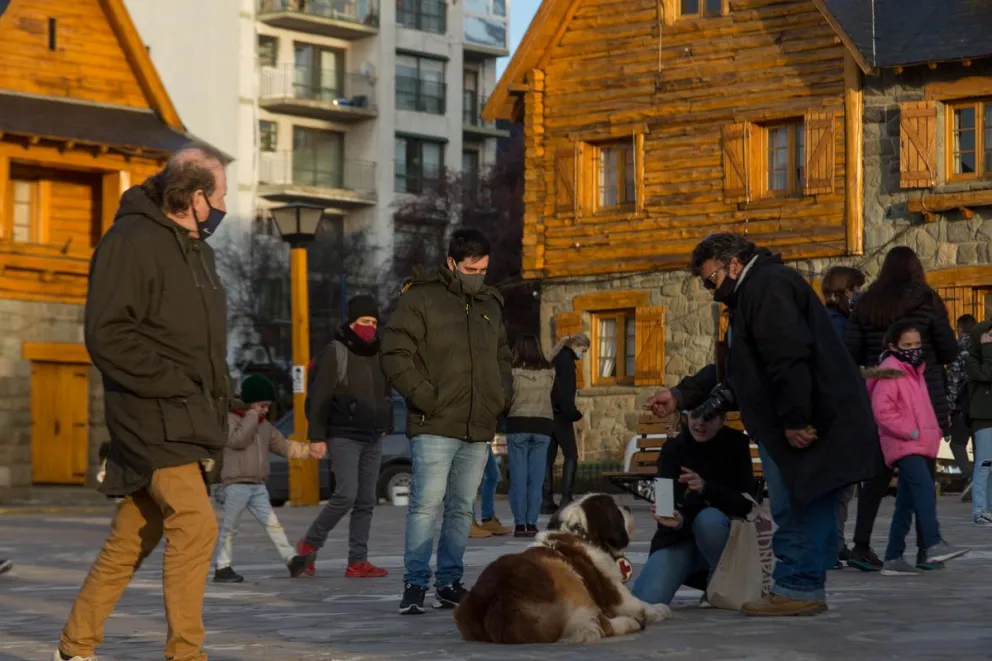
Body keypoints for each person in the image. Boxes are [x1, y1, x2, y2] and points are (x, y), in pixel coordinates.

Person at [54, 143, 231, 661]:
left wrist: (222, 391)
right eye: (220, 195)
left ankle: (75, 645)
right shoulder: (130, 240)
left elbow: (196, 341)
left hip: (186, 413)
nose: (224, 206)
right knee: (197, 525)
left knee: (135, 533)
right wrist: (175, 383)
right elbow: (108, 334)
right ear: (196, 197)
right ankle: (186, 654)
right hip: (152, 415)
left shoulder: (199, 250)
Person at [646, 233, 883, 617]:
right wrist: (679, 395)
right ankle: (804, 585)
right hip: (811, 417)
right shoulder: (756, 292)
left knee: (796, 500)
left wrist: (795, 419)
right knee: (810, 498)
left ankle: (796, 587)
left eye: (711, 280)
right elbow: (739, 368)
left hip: (805, 421)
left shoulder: (766, 288)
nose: (711, 291)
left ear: (733, 265)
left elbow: (789, 356)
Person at [381, 228, 513, 615]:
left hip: (478, 422)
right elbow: (394, 352)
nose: (477, 276)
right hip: (434, 422)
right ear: (451, 263)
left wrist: (500, 395)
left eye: (484, 269)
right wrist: (425, 396)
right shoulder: (421, 299)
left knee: (461, 508)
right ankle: (415, 584)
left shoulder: (491, 303)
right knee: (425, 505)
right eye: (470, 269)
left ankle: (449, 582)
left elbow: (502, 355)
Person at [845, 246, 959, 571]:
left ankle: (862, 546)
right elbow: (948, 349)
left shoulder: (866, 303)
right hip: (925, 397)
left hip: (878, 396)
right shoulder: (928, 300)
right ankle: (926, 549)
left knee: (876, 479)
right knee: (922, 476)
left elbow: (850, 351)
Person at [293, 295, 393, 578]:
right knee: (346, 494)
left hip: (373, 435)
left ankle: (357, 560)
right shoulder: (335, 351)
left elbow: (386, 392)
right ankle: (309, 543)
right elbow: (319, 396)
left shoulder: (379, 352)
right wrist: (317, 436)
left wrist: (387, 422)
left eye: (374, 322)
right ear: (351, 322)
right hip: (344, 435)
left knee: (366, 500)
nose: (370, 327)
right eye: (364, 321)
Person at [867, 320, 968, 574]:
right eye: (907, 345)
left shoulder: (914, 371)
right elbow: (882, 411)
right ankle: (933, 543)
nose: (913, 349)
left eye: (916, 344)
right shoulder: (892, 370)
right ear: (893, 346)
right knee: (923, 488)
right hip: (904, 443)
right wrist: (909, 431)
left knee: (906, 501)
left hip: (919, 442)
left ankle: (893, 557)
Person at [632, 410, 754, 605]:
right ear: (685, 417)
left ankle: (718, 586)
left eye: (708, 417)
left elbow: (747, 505)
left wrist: (706, 488)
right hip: (681, 539)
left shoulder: (735, 444)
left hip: (724, 544)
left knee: (709, 520)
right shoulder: (673, 448)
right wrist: (676, 520)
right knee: (646, 600)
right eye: (695, 416)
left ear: (722, 419)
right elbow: (667, 505)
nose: (700, 424)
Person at [213, 375, 326, 583]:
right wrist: (251, 416)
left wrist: (309, 451)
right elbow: (238, 440)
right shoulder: (230, 419)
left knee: (273, 524)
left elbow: (284, 446)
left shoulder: (264, 426)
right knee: (230, 528)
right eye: (262, 405)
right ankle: (222, 566)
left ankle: (291, 560)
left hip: (257, 484)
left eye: (267, 406)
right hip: (235, 484)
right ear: (250, 402)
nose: (265, 410)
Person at [820, 265, 866, 569]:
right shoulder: (838, 325)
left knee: (840, 487)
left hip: (837, 412)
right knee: (839, 487)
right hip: (839, 413)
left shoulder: (832, 321)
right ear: (845, 291)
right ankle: (830, 546)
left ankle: (833, 544)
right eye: (856, 288)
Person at [505, 334, 556, 537]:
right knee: (536, 478)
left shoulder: (512, 372)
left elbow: (506, 397)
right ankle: (532, 522)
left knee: (518, 478)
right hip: (543, 424)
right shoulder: (550, 372)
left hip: (517, 423)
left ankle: (519, 524)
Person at [541, 333, 590, 514]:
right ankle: (566, 497)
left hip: (548, 414)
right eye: (583, 351)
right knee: (571, 455)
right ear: (577, 345)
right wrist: (575, 415)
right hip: (562, 416)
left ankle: (546, 500)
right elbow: (566, 393)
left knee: (548, 458)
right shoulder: (567, 363)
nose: (582, 355)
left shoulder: (555, 359)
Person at [965, 320, 992, 526]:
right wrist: (986, 349)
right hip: (983, 417)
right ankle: (980, 510)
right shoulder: (972, 358)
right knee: (984, 464)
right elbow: (985, 374)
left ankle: (989, 508)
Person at [948, 314, 977, 501]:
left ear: (959, 329)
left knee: (957, 443)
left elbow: (953, 378)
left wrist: (949, 406)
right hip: (982, 403)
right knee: (980, 445)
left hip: (962, 404)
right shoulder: (981, 347)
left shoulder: (957, 348)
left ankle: (970, 477)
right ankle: (981, 482)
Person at [471, 445, 512, 537]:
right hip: (473, 438)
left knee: (493, 475)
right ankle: (469, 522)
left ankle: (488, 519)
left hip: (485, 439)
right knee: (472, 478)